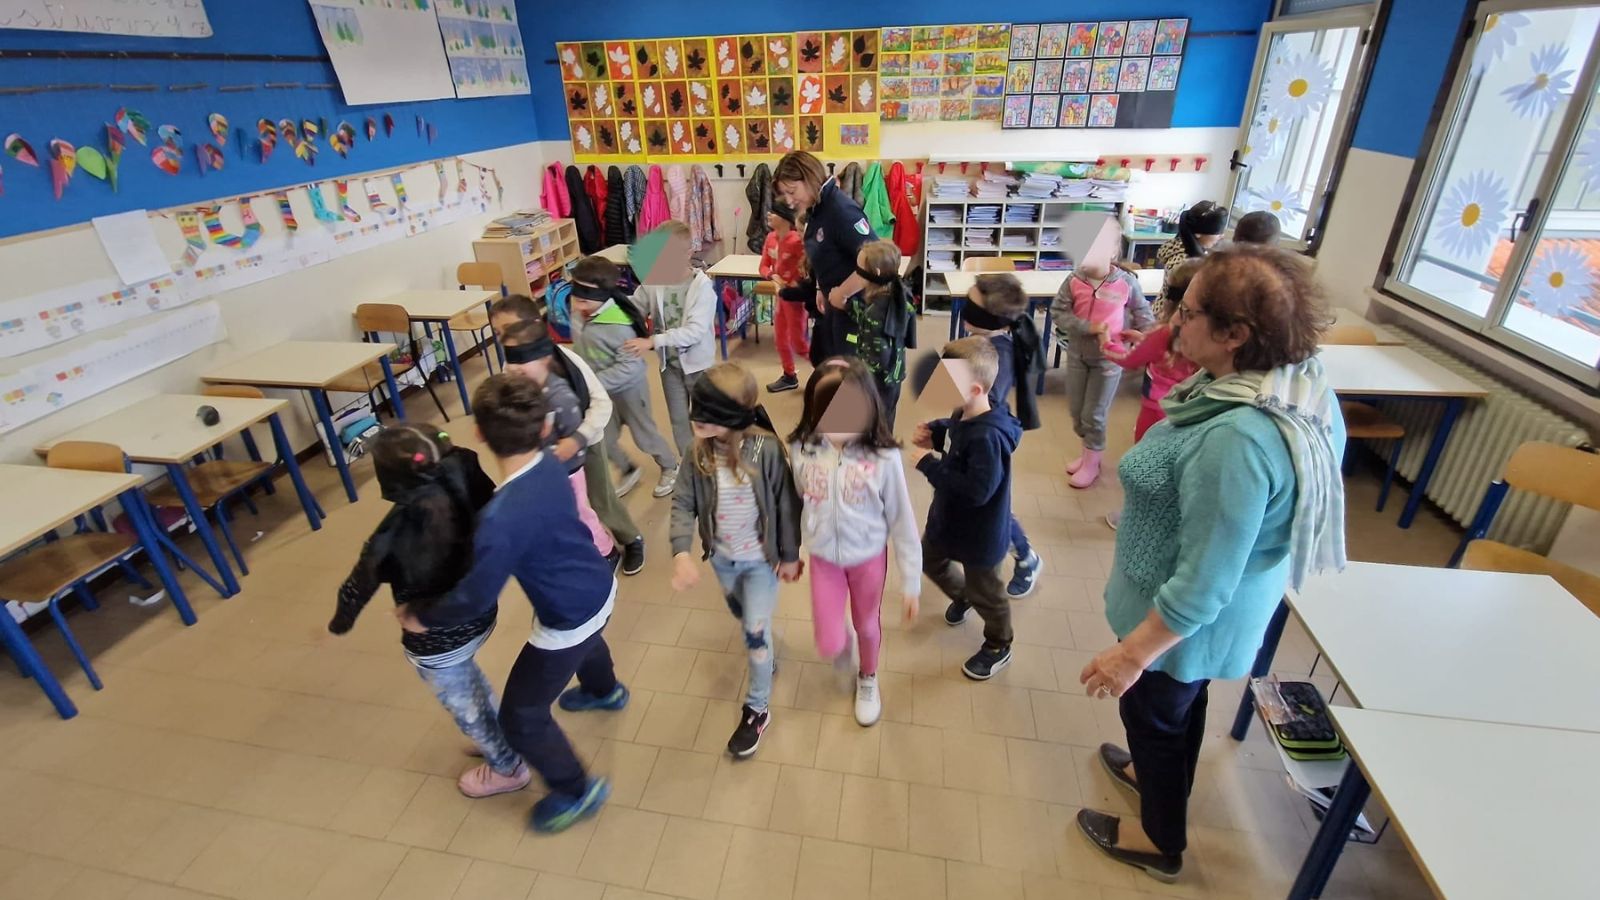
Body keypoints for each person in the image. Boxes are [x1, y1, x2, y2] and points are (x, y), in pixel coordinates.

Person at [1075, 245, 1346, 884]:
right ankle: (1154, 774)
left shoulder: (1237, 440)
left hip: (1182, 620)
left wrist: (1130, 654)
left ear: (1236, 335)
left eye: (1189, 312)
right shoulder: (1297, 380)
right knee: (1176, 708)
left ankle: (1158, 840)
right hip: (1210, 611)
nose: (1173, 322)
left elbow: (1203, 582)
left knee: (1153, 708)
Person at [400, 375, 630, 834]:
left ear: (480, 434)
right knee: (591, 641)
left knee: (521, 715)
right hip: (599, 582)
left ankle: (575, 789)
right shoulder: (551, 464)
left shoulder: (500, 518)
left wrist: (422, 615)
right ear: (546, 426)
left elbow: (475, 595)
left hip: (568, 616)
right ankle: (605, 691)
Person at [329, 425, 520, 798]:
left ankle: (507, 767)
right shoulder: (468, 477)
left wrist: (340, 623)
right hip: (480, 610)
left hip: (438, 635)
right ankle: (500, 731)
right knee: (472, 678)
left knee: (463, 700)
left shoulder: (398, 529)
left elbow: (359, 583)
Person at [669, 363, 802, 757]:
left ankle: (757, 708)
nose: (695, 420)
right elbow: (682, 501)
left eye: (706, 416)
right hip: (723, 561)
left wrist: (790, 555)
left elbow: (786, 504)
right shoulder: (698, 453)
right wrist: (680, 551)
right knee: (740, 613)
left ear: (729, 419)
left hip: (761, 563)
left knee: (755, 635)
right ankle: (762, 646)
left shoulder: (767, 451)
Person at [788, 359, 920, 726]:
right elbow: (797, 501)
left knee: (866, 625)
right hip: (824, 557)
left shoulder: (884, 457)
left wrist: (911, 582)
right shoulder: (802, 449)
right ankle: (847, 653)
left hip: (867, 558)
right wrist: (791, 551)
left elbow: (903, 521)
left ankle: (868, 677)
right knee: (830, 641)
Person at [489, 294, 646, 576]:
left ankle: (631, 538)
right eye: (498, 333)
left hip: (588, 443)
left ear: (534, 327)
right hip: (548, 451)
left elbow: (602, 403)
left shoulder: (569, 361)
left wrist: (578, 438)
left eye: (509, 330)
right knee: (571, 506)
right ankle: (595, 547)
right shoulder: (512, 368)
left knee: (601, 500)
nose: (504, 339)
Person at [911, 337, 1023, 681]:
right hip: (949, 521)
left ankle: (998, 643)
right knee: (929, 559)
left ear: (975, 389)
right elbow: (961, 433)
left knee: (988, 593)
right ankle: (964, 596)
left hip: (980, 536)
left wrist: (929, 464)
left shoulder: (989, 437)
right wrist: (938, 432)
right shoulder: (966, 411)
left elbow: (977, 490)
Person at [500, 319, 617, 564]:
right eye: (512, 359)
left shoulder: (560, 396)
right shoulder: (523, 386)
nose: (515, 367)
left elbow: (573, 444)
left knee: (580, 514)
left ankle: (606, 552)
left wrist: (559, 451)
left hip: (567, 471)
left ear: (544, 356)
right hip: (544, 468)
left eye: (523, 358)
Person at [959, 273, 1045, 597]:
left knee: (991, 510)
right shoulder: (980, 343)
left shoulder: (998, 355)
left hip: (984, 441)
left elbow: (983, 405)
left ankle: (1026, 558)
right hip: (968, 434)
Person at [1101, 261, 1203, 531]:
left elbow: (1126, 358)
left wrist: (1105, 341)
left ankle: (1135, 515)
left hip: (1156, 409)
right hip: (1191, 410)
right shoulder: (1206, 337)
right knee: (1176, 465)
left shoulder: (1164, 334)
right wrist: (1144, 339)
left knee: (1145, 461)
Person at [567, 256, 680, 499]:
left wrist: (592, 383)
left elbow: (631, 368)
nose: (576, 306)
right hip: (600, 392)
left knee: (644, 435)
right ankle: (628, 469)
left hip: (630, 391)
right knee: (601, 437)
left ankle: (671, 466)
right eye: (575, 298)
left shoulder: (619, 326)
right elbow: (580, 346)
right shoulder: (579, 313)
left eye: (583, 300)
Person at [1051, 258, 1155, 489]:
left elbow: (1145, 316)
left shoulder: (1126, 282)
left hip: (1109, 360)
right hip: (1078, 355)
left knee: (1094, 413)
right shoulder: (1074, 280)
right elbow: (1058, 312)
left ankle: (1092, 463)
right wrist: (1088, 327)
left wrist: (1143, 339)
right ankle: (1089, 453)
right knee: (1077, 412)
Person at [622, 220, 718, 457]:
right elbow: (633, 307)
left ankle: (711, 461)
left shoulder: (702, 287)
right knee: (678, 420)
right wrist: (605, 307)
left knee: (705, 419)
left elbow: (695, 331)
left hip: (699, 367)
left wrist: (654, 341)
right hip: (670, 367)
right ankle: (689, 465)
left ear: (688, 253)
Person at [773, 150, 878, 364]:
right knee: (825, 360)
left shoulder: (841, 211)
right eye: (785, 194)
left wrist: (842, 292)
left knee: (849, 375)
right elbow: (824, 253)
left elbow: (875, 263)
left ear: (810, 178)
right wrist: (821, 286)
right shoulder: (817, 209)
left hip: (855, 306)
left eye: (792, 191)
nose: (789, 201)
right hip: (833, 303)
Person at [847, 240, 917, 429]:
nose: (856, 272)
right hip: (894, 374)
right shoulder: (899, 295)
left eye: (859, 268)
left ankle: (877, 452)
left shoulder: (875, 312)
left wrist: (858, 378)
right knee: (887, 415)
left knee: (875, 420)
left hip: (877, 380)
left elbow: (877, 354)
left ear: (875, 273)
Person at [761, 202, 811, 393]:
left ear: (784, 218)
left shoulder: (797, 240)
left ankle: (827, 371)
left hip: (795, 299)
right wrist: (772, 277)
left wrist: (795, 283)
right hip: (780, 296)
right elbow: (763, 266)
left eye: (773, 213)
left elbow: (807, 267)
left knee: (799, 344)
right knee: (780, 339)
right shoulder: (770, 238)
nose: (768, 215)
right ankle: (789, 376)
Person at [1155, 201, 1228, 308]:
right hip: (1172, 314)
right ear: (1198, 234)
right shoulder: (1182, 262)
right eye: (1218, 232)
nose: (1221, 236)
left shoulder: (1194, 250)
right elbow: (1178, 304)